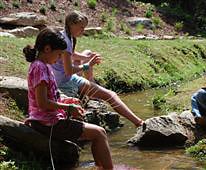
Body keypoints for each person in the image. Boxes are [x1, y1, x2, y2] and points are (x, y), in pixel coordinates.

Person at [23, 28, 113, 170]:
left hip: (47, 120)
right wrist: (68, 108)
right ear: (47, 49)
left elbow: (48, 97)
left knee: (97, 133)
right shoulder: (40, 68)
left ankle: (100, 167)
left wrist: (66, 101)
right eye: (58, 54)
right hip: (47, 123)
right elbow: (42, 103)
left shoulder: (43, 66)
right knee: (99, 133)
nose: (59, 59)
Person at [51, 10, 144, 127]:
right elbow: (69, 71)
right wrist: (88, 65)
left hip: (63, 78)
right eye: (81, 27)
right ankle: (139, 123)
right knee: (111, 96)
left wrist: (85, 57)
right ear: (71, 24)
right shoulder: (66, 41)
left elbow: (70, 55)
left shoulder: (65, 36)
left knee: (87, 55)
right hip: (64, 82)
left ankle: (91, 89)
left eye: (84, 28)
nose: (83, 31)